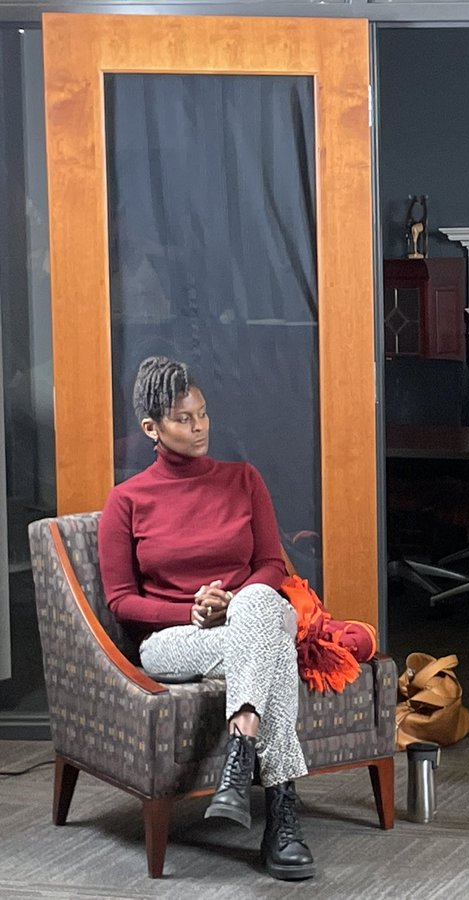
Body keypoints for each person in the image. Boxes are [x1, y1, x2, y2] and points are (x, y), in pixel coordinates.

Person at [98, 356, 315, 881]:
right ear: (152, 427)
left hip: (249, 614)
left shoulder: (243, 480)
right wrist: (191, 610)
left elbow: (269, 565)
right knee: (275, 651)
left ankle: (242, 742)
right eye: (183, 418)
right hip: (173, 638)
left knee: (260, 608)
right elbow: (121, 600)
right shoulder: (126, 501)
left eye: (203, 413)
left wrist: (234, 602)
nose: (199, 427)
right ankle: (281, 814)